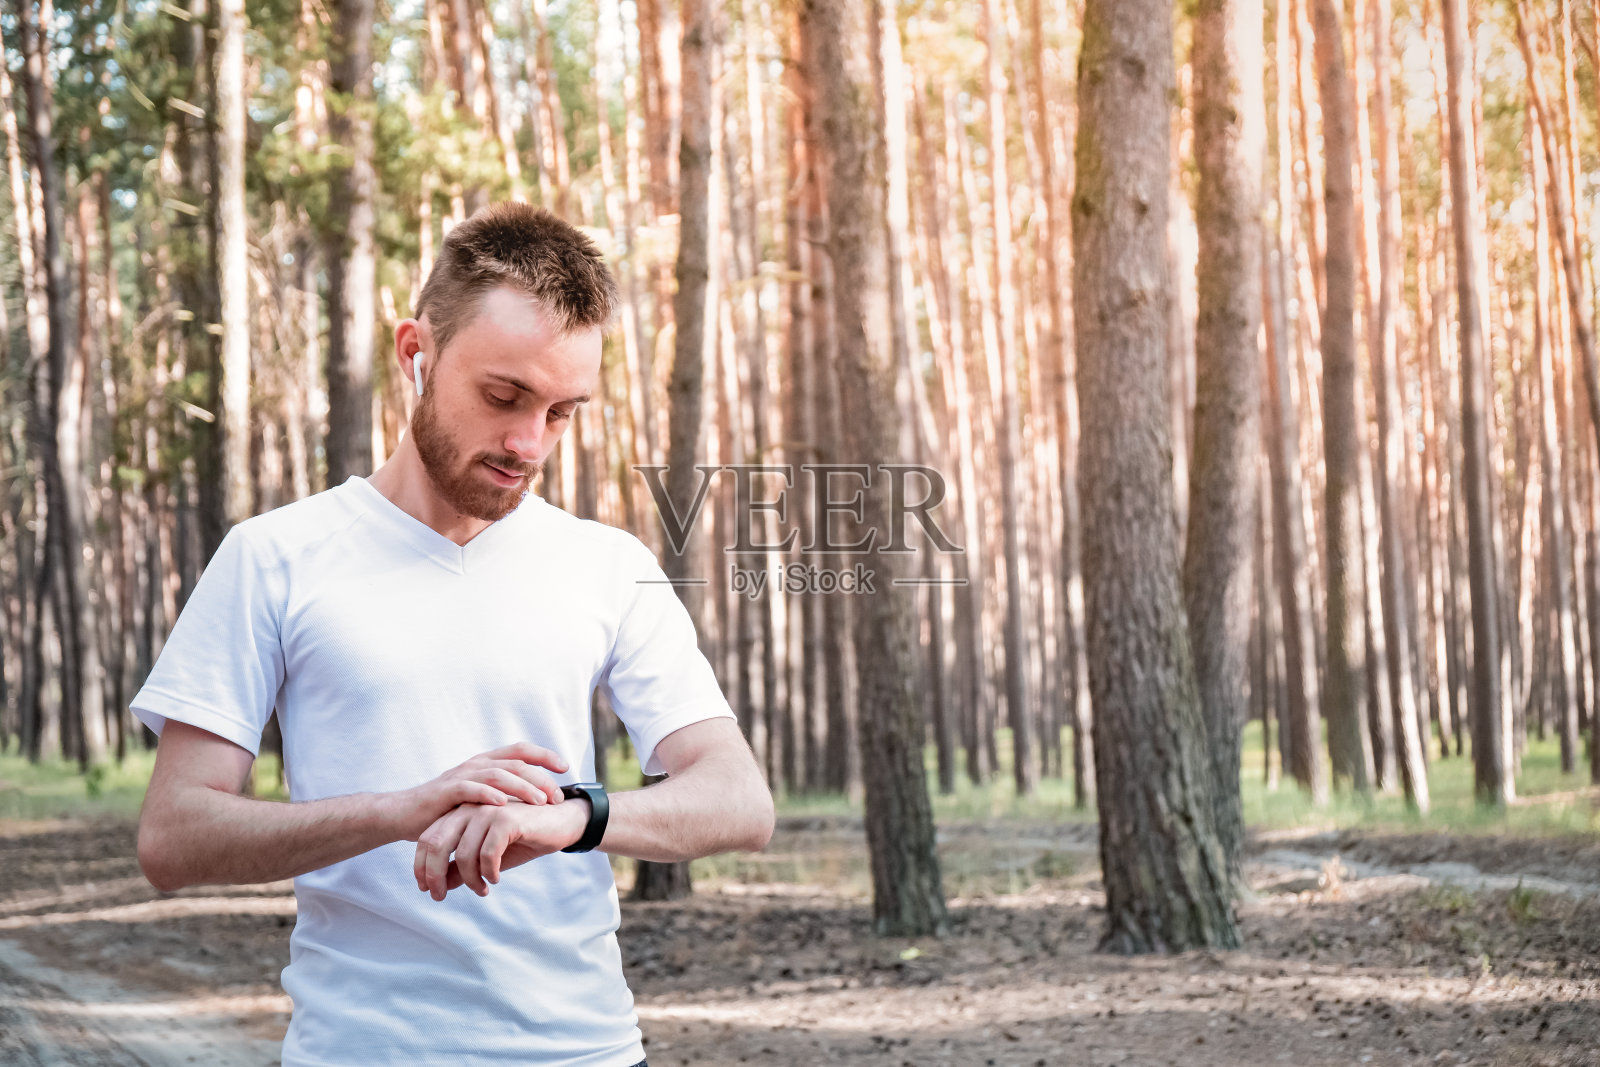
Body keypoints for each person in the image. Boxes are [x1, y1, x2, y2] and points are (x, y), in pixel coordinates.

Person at [133, 202, 775, 1067]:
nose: (527, 442)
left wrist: (571, 819)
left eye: (560, 412)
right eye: (503, 395)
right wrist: (403, 810)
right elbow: (173, 836)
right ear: (417, 353)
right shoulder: (275, 558)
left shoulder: (607, 565)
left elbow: (740, 800)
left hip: (585, 1051)